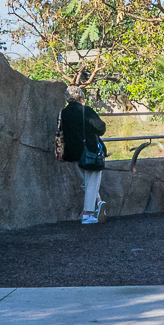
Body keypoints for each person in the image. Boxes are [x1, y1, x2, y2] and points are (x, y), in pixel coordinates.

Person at [59, 83, 109, 224]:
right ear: (80, 96)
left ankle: (99, 202)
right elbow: (100, 128)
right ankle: (87, 214)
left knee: (88, 183)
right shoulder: (85, 110)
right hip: (90, 151)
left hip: (73, 153)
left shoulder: (64, 113)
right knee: (93, 180)